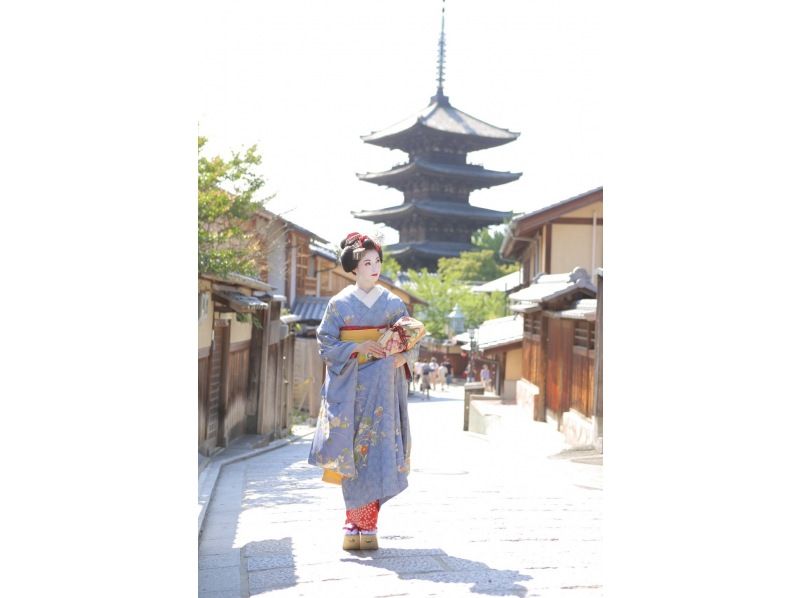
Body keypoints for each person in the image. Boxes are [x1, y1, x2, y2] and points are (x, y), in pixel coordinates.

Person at [308, 232, 418, 551]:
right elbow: (326, 343)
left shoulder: (393, 303)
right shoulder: (339, 304)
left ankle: (367, 525)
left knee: (380, 450)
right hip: (352, 387)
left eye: (378, 261)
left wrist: (402, 357)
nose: (374, 267)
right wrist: (357, 347)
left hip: (384, 386)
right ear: (353, 268)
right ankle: (354, 522)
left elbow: (410, 340)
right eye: (367, 262)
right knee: (354, 450)